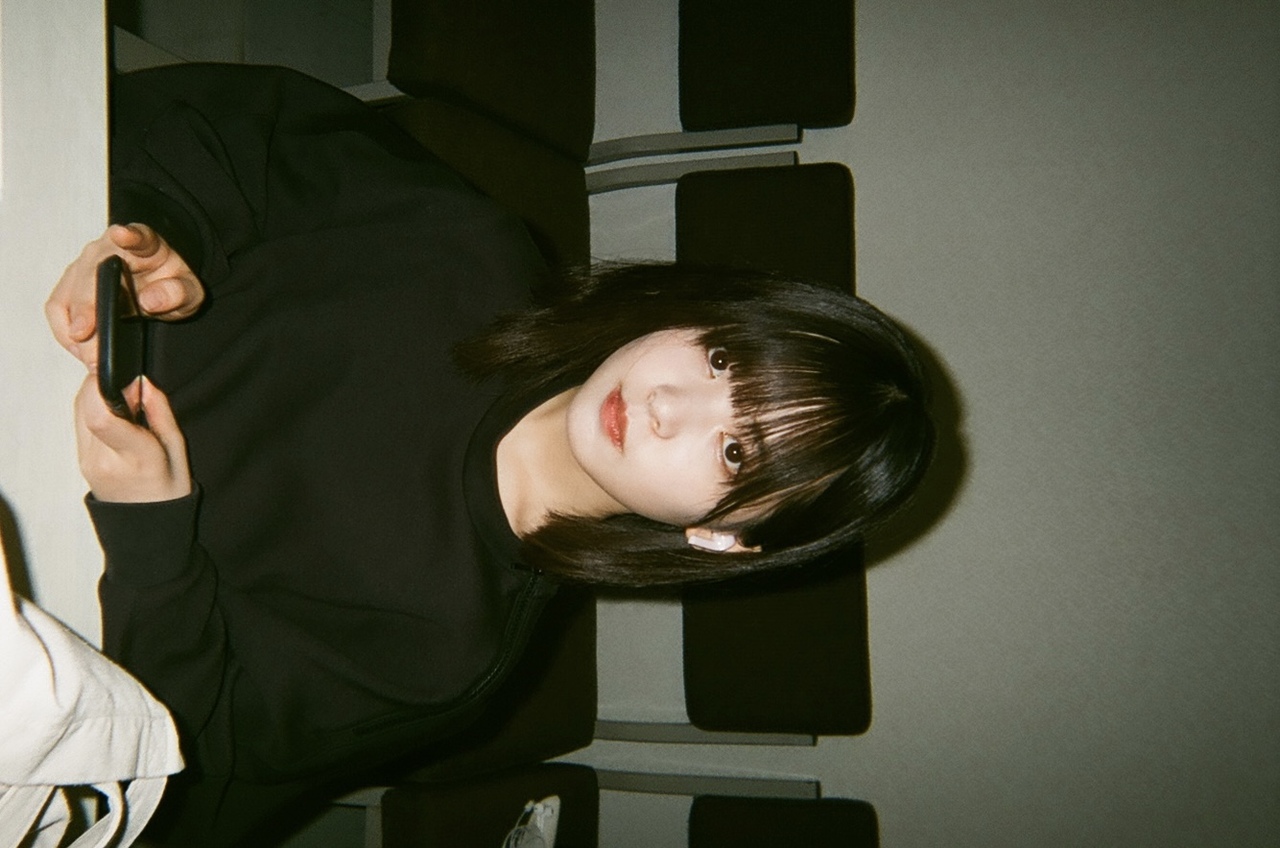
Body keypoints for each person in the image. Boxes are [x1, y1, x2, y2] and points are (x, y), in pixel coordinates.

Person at [46, 64, 934, 845]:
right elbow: (245, 129)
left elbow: (173, 764)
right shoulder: (467, 249)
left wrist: (152, 531)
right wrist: (162, 229)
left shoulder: (445, 650)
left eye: (737, 450)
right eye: (723, 358)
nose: (668, 405)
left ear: (721, 537)